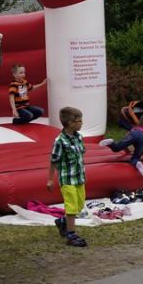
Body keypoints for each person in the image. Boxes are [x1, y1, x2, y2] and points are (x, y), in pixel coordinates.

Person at [46, 106, 89, 248]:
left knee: (79, 205)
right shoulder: (60, 141)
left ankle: (62, 221)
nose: (81, 123)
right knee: (71, 207)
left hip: (79, 178)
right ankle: (72, 235)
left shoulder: (79, 137)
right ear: (70, 123)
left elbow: (81, 155)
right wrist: (51, 179)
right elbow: (54, 160)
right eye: (79, 121)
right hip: (67, 179)